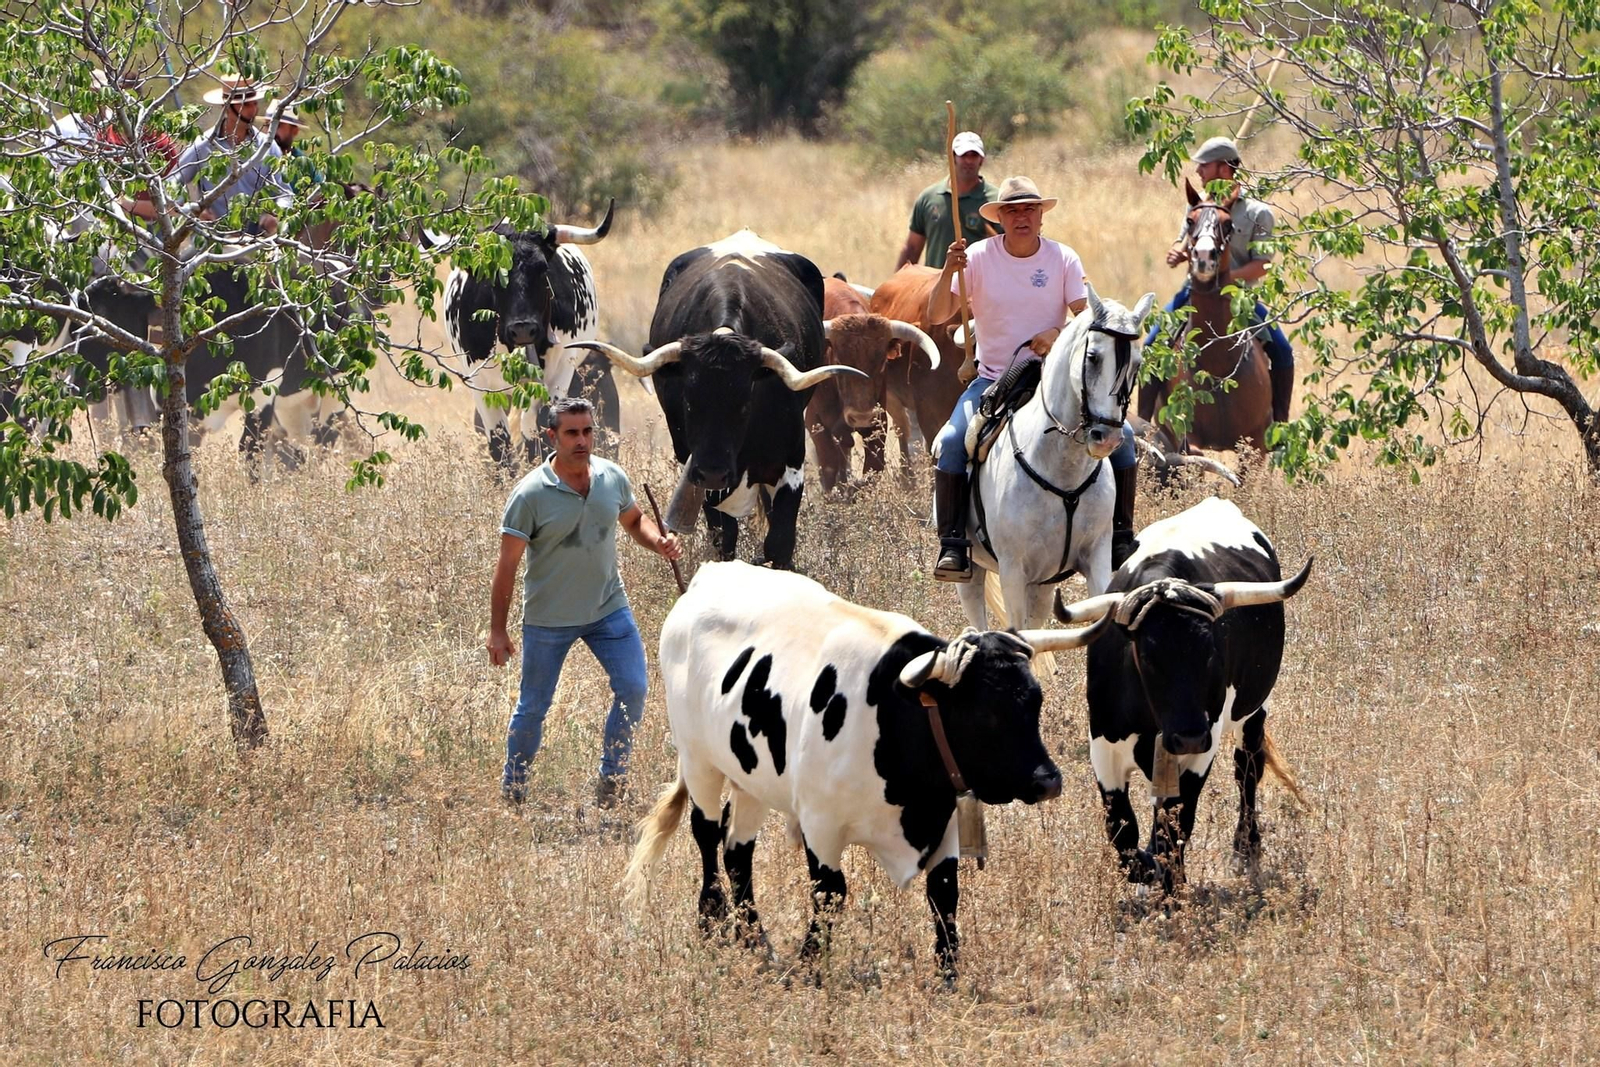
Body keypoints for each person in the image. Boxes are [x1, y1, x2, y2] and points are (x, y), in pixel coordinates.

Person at [925, 176, 1141, 581]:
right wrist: (946, 273)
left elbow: (1086, 319)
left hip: (1054, 382)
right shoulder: (977, 257)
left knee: (1124, 438)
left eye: (1029, 209)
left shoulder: (1063, 259)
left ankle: (1120, 537)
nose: (1022, 217)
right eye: (1012, 210)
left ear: (1041, 216)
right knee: (954, 442)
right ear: (999, 219)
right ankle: (954, 544)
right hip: (992, 381)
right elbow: (937, 314)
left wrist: (1057, 336)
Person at [488, 396, 683, 809]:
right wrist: (498, 630)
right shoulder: (530, 495)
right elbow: (506, 567)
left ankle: (611, 781)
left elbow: (634, 521)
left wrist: (659, 543)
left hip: (608, 609)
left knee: (633, 688)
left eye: (588, 431)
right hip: (548, 619)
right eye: (572, 432)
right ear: (551, 436)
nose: (582, 440)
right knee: (534, 707)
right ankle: (515, 788)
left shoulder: (612, 477)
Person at [1149, 136, 1295, 424]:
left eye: (1204, 165)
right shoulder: (1197, 206)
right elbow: (1182, 241)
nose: (1199, 172)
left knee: (1282, 350)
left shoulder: (1257, 213)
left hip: (1240, 299)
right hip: (1194, 294)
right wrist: (1177, 253)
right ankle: (1144, 422)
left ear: (1223, 168)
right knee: (1152, 344)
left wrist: (1226, 276)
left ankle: (1279, 424)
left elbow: (1263, 265)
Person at [172, 78, 293, 237]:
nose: (253, 110)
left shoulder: (268, 147)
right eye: (246, 105)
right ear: (227, 107)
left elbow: (285, 193)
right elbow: (172, 184)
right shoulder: (204, 145)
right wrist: (192, 211)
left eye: (254, 103)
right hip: (213, 240)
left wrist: (275, 215)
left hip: (257, 240)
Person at [895, 130, 1003, 271]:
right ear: (953, 158)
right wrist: (896, 285)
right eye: (963, 155)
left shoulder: (996, 201)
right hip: (935, 286)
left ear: (982, 159)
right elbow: (912, 248)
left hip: (976, 287)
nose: (969, 161)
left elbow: (1007, 250)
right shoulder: (929, 198)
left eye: (974, 155)